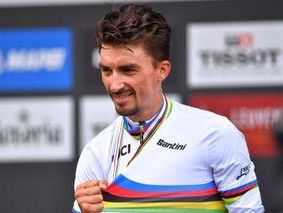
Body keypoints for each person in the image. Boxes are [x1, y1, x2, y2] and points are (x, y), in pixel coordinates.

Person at [72, 4, 264, 213]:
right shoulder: (96, 152)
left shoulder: (215, 134)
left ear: (162, 70)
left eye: (128, 70)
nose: (115, 84)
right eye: (107, 70)